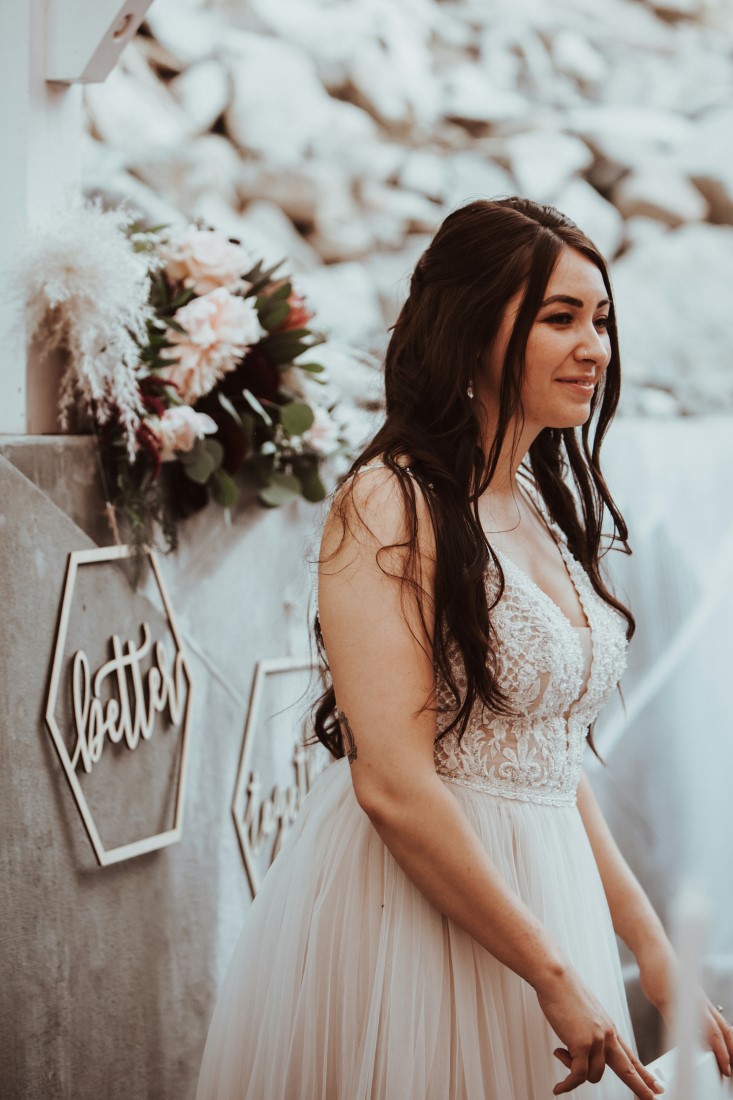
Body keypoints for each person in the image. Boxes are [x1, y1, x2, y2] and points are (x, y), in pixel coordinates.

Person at [195, 197, 733, 1098]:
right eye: (559, 318)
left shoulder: (534, 506)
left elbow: (548, 758)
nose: (595, 348)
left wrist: (650, 946)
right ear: (473, 330)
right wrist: (548, 971)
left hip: (545, 896)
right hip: (419, 921)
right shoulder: (388, 502)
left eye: (600, 320)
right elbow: (391, 785)